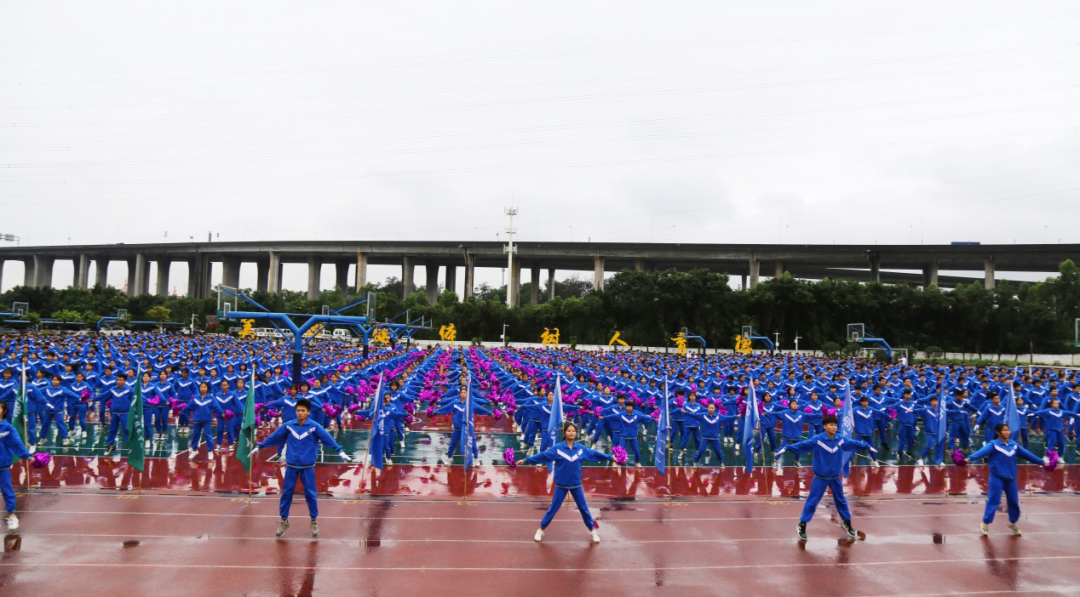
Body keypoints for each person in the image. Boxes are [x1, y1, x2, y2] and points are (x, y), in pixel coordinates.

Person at [249, 398, 354, 538]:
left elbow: (327, 438)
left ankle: (314, 520)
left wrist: (339, 450)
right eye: (298, 410)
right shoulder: (288, 426)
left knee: (310, 494)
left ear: (308, 412)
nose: (300, 413)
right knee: (286, 494)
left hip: (307, 467)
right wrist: (260, 446)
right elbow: (274, 437)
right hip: (291, 467)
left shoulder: (314, 426)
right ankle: (284, 520)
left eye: (303, 411)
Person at [774, 415, 877, 540]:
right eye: (830, 425)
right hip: (820, 477)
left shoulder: (840, 439)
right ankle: (802, 524)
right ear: (824, 426)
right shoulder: (818, 440)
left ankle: (848, 523)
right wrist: (788, 447)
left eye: (835, 425)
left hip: (835, 477)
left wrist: (866, 445)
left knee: (841, 501)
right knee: (812, 502)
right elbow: (803, 445)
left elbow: (853, 443)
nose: (833, 427)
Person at [517, 421, 612, 544]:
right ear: (565, 433)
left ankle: (592, 531)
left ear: (576, 433)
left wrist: (611, 457)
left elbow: (594, 454)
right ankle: (541, 529)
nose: (571, 433)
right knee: (553, 509)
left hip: (576, 485)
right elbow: (543, 456)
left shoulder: (581, 449)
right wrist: (525, 460)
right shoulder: (558, 449)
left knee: (584, 509)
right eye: (569, 431)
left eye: (573, 431)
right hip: (561, 485)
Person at [967, 423, 1047, 536]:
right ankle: (985, 523)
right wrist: (969, 459)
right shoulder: (993, 445)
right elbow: (981, 452)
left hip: (1011, 478)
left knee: (1014, 502)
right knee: (994, 501)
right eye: (1004, 430)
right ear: (998, 432)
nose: (1007, 432)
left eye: (1008, 430)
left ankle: (1012, 522)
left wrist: (1042, 462)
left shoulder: (1014, 445)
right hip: (997, 477)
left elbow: (1027, 455)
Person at [0, 402, 33, 530]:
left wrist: (27, 455)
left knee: (7, 491)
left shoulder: (7, 428)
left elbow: (16, 443)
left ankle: (12, 515)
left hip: (2, 466)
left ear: (4, 411)